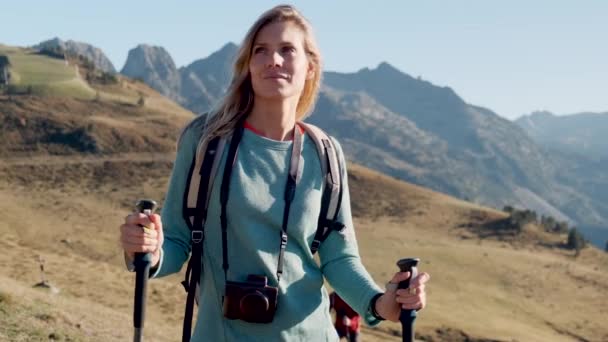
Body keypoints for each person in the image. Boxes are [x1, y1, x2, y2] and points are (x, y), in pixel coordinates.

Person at [119, 4, 430, 341]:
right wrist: (145, 250)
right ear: (248, 65)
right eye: (261, 51)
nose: (273, 60)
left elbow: (338, 257)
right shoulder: (206, 141)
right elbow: (177, 241)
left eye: (287, 50)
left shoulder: (325, 153)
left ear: (310, 66)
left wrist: (383, 303)